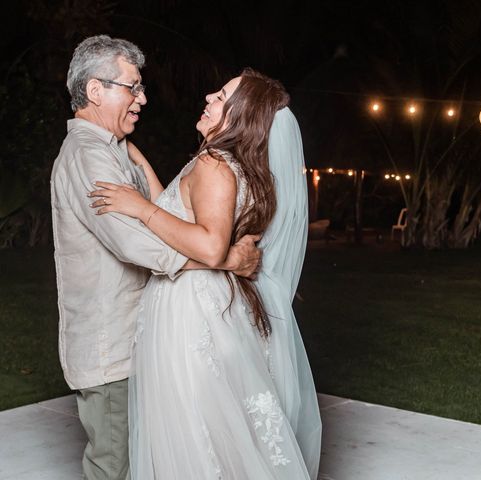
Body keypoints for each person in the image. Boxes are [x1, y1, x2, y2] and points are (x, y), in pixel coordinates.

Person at [88, 69, 322, 478]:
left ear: (240, 115)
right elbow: (176, 208)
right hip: (204, 304)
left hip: (189, 308)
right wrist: (132, 154)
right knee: (213, 425)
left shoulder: (215, 164)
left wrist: (140, 207)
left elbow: (211, 247)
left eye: (223, 95)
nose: (210, 95)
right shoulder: (231, 165)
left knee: (193, 425)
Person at [50, 35, 260, 480]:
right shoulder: (90, 156)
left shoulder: (112, 150)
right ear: (94, 90)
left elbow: (163, 212)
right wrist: (225, 260)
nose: (142, 98)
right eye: (133, 87)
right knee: (115, 466)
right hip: (111, 350)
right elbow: (136, 244)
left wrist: (128, 150)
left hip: (135, 341)